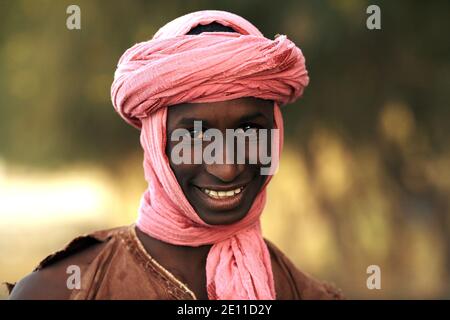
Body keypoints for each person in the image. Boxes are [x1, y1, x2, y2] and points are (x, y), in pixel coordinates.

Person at [8, 10, 343, 300]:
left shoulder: (305, 293)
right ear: (156, 141)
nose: (227, 167)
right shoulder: (62, 290)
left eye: (250, 133)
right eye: (196, 137)